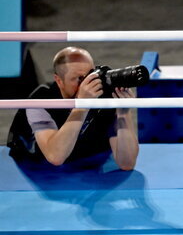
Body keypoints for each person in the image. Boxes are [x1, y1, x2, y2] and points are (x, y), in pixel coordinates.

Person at [6, 47, 139, 169]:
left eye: (91, 75)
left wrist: (123, 114)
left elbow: (127, 164)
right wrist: (82, 105)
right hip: (39, 165)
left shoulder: (103, 96)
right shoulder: (40, 101)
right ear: (59, 81)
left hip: (87, 161)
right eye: (79, 78)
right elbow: (55, 157)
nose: (87, 84)